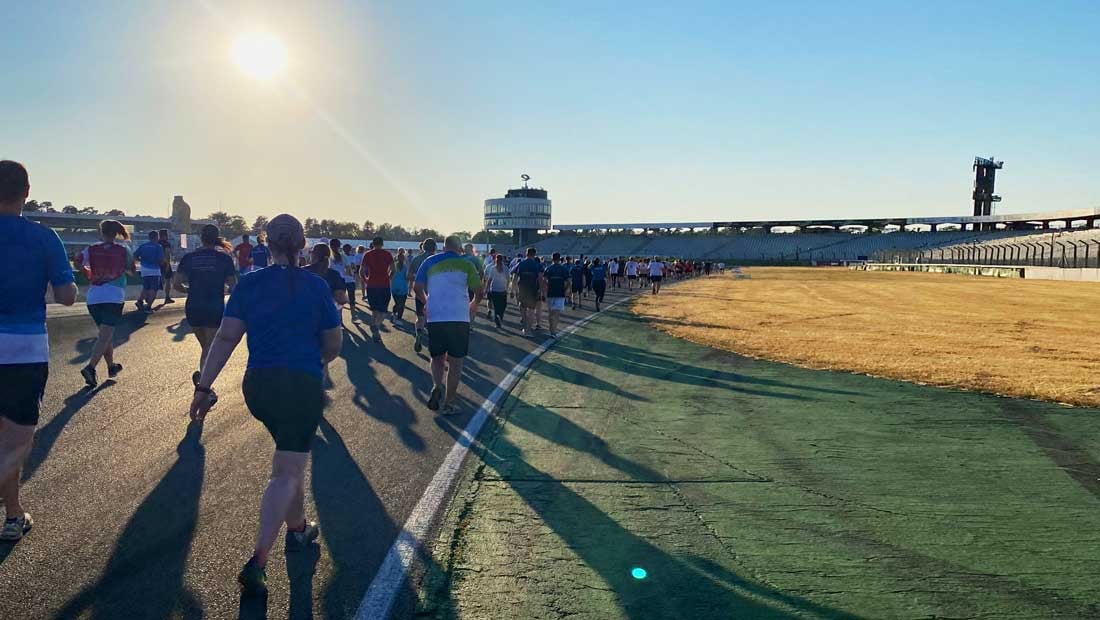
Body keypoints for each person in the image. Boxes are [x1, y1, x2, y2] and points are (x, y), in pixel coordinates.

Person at [189, 214, 342, 596]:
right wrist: (317, 359)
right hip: (301, 385)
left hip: (258, 387)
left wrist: (203, 387)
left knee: (287, 462)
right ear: (302, 244)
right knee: (286, 472)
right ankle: (258, 560)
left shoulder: (250, 284)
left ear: (266, 243)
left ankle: (299, 528)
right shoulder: (316, 286)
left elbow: (225, 339)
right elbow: (334, 344)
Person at [0, 160, 78, 542]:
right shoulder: (44, 238)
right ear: (26, 192)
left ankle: (14, 514)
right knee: (16, 439)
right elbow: (66, 296)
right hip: (23, 348)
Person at [413, 235, 482, 415]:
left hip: (436, 315)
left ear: (444, 248)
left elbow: (417, 287)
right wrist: (473, 305)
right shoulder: (467, 264)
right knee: (456, 362)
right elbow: (479, 292)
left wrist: (426, 301)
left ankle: (437, 385)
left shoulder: (429, 261)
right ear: (459, 249)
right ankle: (449, 403)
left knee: (437, 357)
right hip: (459, 315)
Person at [175, 224, 238, 389]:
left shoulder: (189, 257)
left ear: (201, 238)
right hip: (213, 306)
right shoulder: (224, 258)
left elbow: (176, 284)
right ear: (217, 237)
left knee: (206, 347)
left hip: (193, 306)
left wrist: (190, 290)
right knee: (210, 348)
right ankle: (203, 387)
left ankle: (203, 379)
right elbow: (234, 286)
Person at [78, 220, 134, 388]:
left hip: (93, 297)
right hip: (114, 296)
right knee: (104, 336)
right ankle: (90, 367)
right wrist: (121, 270)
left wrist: (88, 273)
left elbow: (78, 261)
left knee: (105, 335)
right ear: (117, 232)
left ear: (101, 232)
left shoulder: (91, 249)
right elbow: (132, 271)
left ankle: (111, 366)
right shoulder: (124, 250)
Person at [360, 237, 393, 343]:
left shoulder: (367, 254)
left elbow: (361, 271)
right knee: (383, 310)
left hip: (372, 285)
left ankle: (375, 328)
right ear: (382, 244)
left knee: (375, 309)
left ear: (373, 243)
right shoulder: (387, 254)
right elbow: (393, 269)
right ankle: (376, 326)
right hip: (384, 284)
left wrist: (366, 281)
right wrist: (389, 278)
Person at [407, 239, 436, 353]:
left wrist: (419, 278)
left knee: (420, 317)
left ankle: (419, 331)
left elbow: (408, 276)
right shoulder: (436, 260)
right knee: (433, 318)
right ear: (434, 248)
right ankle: (433, 340)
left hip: (420, 292)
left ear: (423, 247)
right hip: (434, 293)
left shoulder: (416, 259)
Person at [510, 247, 543, 336]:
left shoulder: (520, 264)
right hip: (533, 289)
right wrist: (541, 291)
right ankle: (529, 330)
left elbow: (514, 278)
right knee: (531, 310)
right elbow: (540, 278)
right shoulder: (537, 265)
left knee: (523, 309)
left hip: (523, 289)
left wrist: (512, 290)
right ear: (535, 254)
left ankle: (525, 328)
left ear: (526, 253)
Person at [133, 231, 165, 313]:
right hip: (155, 270)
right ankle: (148, 307)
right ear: (157, 237)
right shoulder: (158, 247)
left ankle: (139, 301)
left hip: (144, 269)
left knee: (146, 287)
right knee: (153, 289)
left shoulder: (143, 246)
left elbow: (135, 256)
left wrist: (141, 261)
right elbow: (161, 260)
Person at [543, 252, 570, 337]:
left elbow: (545, 281)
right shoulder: (563, 269)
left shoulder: (549, 268)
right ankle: (553, 331)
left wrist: (545, 292)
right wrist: (566, 291)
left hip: (551, 292)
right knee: (556, 313)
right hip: (560, 293)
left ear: (552, 259)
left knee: (551, 313)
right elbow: (568, 281)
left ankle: (551, 329)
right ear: (560, 259)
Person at [483, 253, 510, 329]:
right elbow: (508, 279)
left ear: (495, 260)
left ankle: (497, 321)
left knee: (496, 306)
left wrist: (486, 289)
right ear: (503, 260)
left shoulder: (492, 268)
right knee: (503, 306)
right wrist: (507, 288)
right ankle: (500, 317)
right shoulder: (506, 268)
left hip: (494, 289)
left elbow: (489, 280)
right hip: (503, 290)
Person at [390, 249, 410, 324]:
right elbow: (390, 276)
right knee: (400, 304)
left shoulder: (404, 267)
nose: (402, 259)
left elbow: (390, 276)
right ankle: (396, 316)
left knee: (399, 304)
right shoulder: (395, 266)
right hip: (399, 288)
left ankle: (397, 317)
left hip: (400, 288)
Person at [158, 229, 176, 304]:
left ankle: (148, 296)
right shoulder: (166, 244)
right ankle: (167, 297)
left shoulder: (157, 243)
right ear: (165, 235)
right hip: (165, 263)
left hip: (157, 263)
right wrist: (168, 265)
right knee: (168, 281)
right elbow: (167, 254)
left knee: (155, 281)